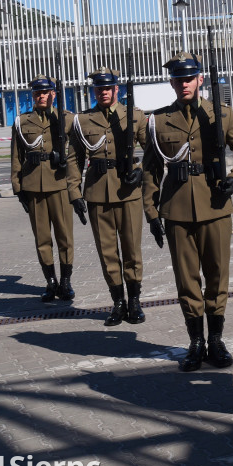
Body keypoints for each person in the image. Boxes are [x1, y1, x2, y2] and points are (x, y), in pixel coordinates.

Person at [142, 53, 233, 372]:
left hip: (216, 206)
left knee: (217, 276)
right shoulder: (159, 120)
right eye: (178, 79)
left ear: (200, 79)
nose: (184, 84)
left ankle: (216, 340)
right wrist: (151, 212)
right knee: (187, 280)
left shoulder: (221, 114)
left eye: (189, 78)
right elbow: (149, 169)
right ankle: (195, 342)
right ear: (172, 82)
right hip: (176, 210)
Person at [68, 68, 148, 326]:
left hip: (128, 191)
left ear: (117, 90)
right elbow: (74, 158)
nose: (103, 92)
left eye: (107, 88)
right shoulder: (83, 120)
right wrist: (74, 192)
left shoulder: (134, 115)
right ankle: (118, 302)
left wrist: (142, 173)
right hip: (97, 192)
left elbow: (155, 151)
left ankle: (134, 301)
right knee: (107, 251)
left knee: (132, 249)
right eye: (98, 89)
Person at [11, 76, 83, 303]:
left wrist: (74, 180)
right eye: (37, 93)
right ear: (32, 95)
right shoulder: (22, 122)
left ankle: (66, 281)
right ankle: (50, 282)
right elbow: (16, 156)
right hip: (33, 185)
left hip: (60, 184)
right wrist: (17, 187)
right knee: (42, 238)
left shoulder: (67, 119)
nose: (41, 96)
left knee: (64, 236)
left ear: (53, 94)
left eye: (45, 92)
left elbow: (78, 154)